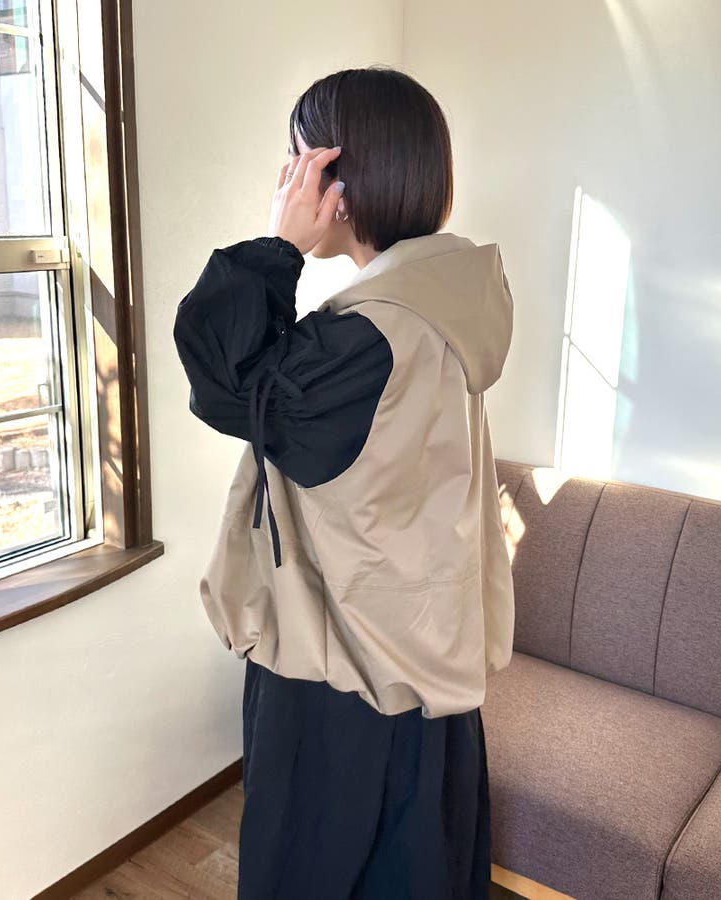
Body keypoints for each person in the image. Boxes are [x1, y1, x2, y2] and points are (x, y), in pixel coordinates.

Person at [173, 65, 516, 900]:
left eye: (300, 162)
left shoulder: (369, 337)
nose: (287, 181)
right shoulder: (451, 297)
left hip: (346, 668)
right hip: (422, 644)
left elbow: (224, 379)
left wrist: (279, 244)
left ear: (341, 179)